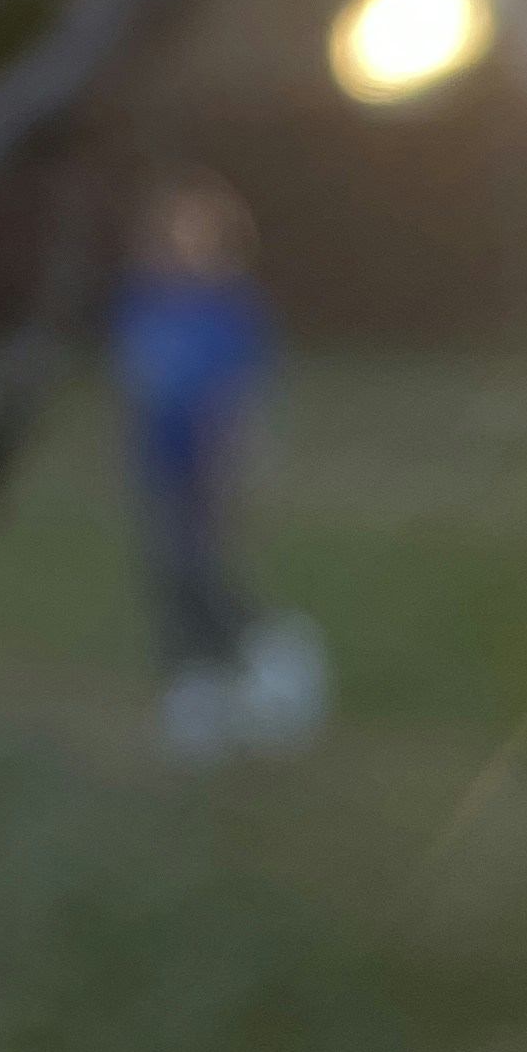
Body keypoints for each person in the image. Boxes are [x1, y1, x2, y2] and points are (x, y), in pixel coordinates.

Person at [109, 171, 329, 757]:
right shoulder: (143, 300)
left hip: (210, 467)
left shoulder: (232, 308)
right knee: (170, 580)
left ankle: (283, 663)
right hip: (157, 465)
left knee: (209, 576)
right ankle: (197, 695)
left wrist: (235, 471)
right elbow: (137, 383)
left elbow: (242, 397)